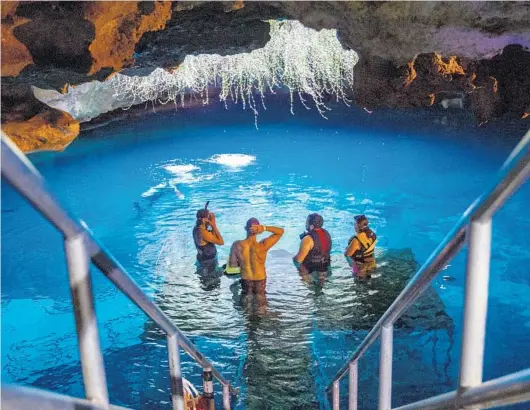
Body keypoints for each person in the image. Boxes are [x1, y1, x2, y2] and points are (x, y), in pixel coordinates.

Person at [227, 218, 284, 295]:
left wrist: (243, 262)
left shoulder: (236, 245)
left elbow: (232, 265)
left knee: (246, 301)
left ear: (245, 228)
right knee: (261, 302)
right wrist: (264, 228)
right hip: (260, 279)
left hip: (246, 279)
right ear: (258, 230)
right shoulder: (263, 245)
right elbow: (280, 232)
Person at [293, 213, 332, 278]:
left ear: (311, 226)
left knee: (295, 260)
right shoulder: (326, 233)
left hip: (312, 270)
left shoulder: (308, 239)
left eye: (306, 222)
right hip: (326, 266)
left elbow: (298, 260)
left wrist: (293, 258)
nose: (305, 224)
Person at [344, 215, 377, 279]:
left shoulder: (356, 240)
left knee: (359, 284)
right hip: (371, 264)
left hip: (360, 269)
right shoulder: (372, 234)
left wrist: (347, 248)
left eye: (354, 224)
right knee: (368, 281)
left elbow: (347, 254)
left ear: (357, 226)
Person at [192, 208, 224, 274]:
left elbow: (212, 238)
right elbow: (221, 242)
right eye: (208, 217)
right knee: (213, 282)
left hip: (204, 259)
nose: (210, 219)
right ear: (204, 219)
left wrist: (210, 226)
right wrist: (214, 225)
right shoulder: (203, 233)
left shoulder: (197, 228)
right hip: (208, 263)